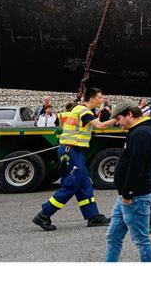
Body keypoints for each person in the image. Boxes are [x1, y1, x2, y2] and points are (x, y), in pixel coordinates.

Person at [32, 87, 118, 231]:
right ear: (92, 98)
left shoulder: (79, 109)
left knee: (84, 184)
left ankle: (93, 216)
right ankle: (44, 214)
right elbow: (100, 126)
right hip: (71, 151)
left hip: (74, 151)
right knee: (72, 184)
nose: (102, 99)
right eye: (100, 97)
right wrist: (118, 118)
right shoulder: (84, 112)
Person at [104, 99, 151, 262]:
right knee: (113, 237)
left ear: (129, 114)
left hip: (135, 197)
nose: (118, 124)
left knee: (141, 240)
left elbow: (137, 167)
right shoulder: (138, 131)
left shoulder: (140, 134)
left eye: (118, 119)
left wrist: (128, 193)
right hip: (127, 197)